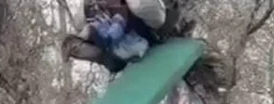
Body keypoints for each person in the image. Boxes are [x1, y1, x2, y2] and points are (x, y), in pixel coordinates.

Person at [62, 0, 228, 95]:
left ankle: (216, 78)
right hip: (121, 45)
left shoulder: (142, 9)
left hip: (146, 33)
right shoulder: (92, 18)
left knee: (142, 11)